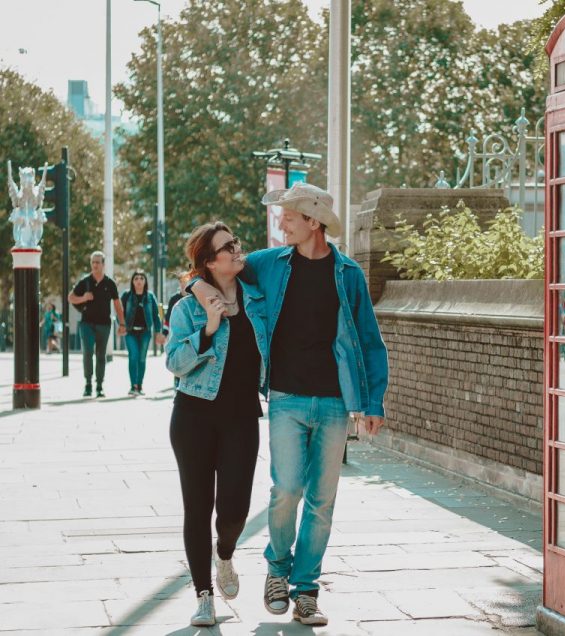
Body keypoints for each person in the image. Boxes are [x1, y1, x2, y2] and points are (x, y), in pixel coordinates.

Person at [191, 181, 389, 626]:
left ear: (313, 222)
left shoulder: (349, 274)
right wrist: (202, 295)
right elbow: (210, 273)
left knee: (322, 500)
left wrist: (373, 400)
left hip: (336, 402)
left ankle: (306, 591)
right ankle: (277, 572)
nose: (281, 224)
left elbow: (371, 342)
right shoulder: (268, 264)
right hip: (285, 396)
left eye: (289, 218)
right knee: (286, 490)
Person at [166, 223, 269, 627]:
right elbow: (174, 362)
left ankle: (224, 552)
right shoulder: (186, 307)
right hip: (194, 416)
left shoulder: (256, 297)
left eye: (236, 242)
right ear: (210, 261)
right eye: (228, 246)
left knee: (235, 509)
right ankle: (203, 595)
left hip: (243, 416)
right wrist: (208, 327)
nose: (237, 249)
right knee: (197, 507)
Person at [68, 251, 125, 398]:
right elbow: (71, 297)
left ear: (103, 264)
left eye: (98, 262)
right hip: (87, 323)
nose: (95, 265)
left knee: (101, 355)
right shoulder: (85, 281)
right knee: (87, 352)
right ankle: (88, 384)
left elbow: (118, 305)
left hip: (104, 325)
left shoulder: (109, 283)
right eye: (93, 262)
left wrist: (122, 323)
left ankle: (99, 386)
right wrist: (83, 298)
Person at [121, 270, 164, 396]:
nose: (139, 281)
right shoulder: (127, 296)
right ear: (132, 281)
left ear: (145, 281)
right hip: (130, 332)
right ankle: (133, 386)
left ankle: (139, 386)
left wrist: (158, 332)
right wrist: (121, 325)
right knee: (133, 356)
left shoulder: (150, 297)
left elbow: (156, 316)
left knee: (141, 359)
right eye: (136, 278)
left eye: (141, 278)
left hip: (145, 333)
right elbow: (120, 313)